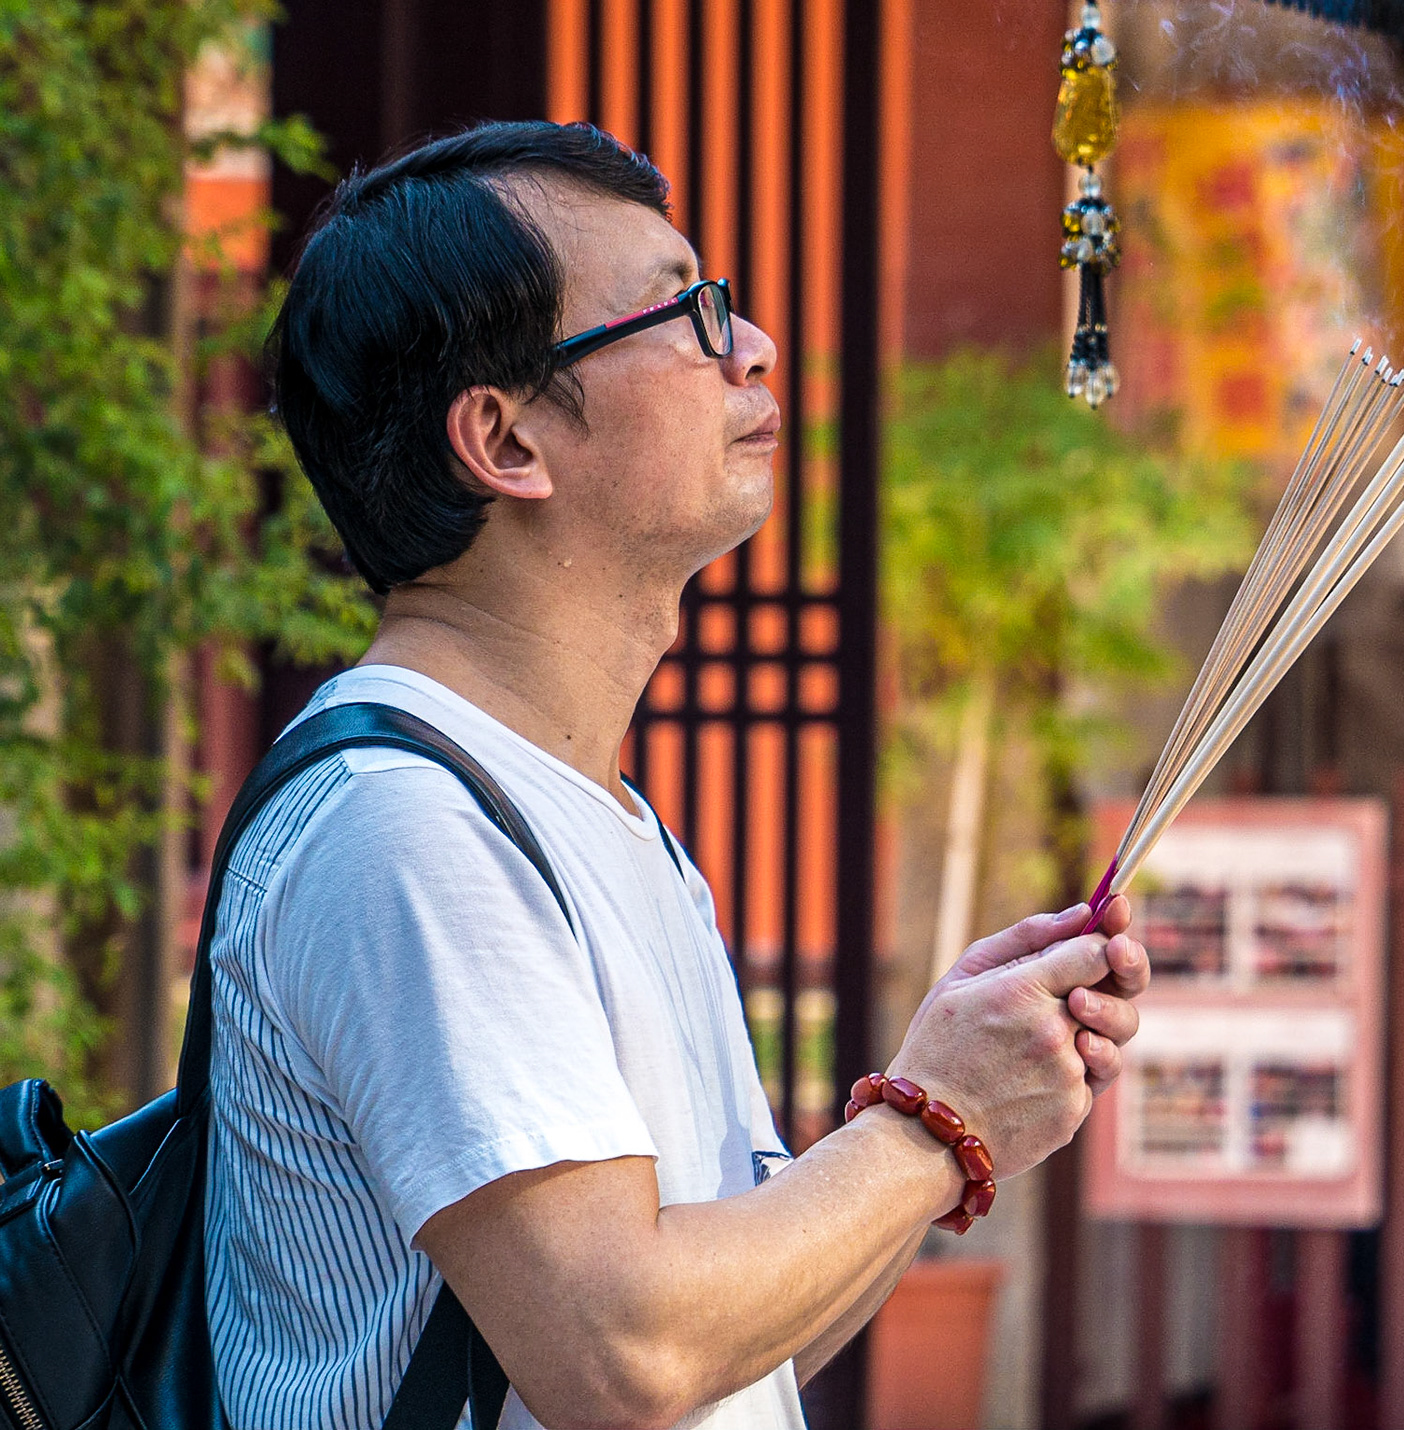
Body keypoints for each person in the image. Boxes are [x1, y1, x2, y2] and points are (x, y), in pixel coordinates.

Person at [205, 119, 1148, 1430]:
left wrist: (959, 1105)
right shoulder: (407, 825)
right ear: (506, 439)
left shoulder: (603, 822)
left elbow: (736, 1347)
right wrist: (936, 1116)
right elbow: (619, 1351)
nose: (750, 345)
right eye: (685, 311)